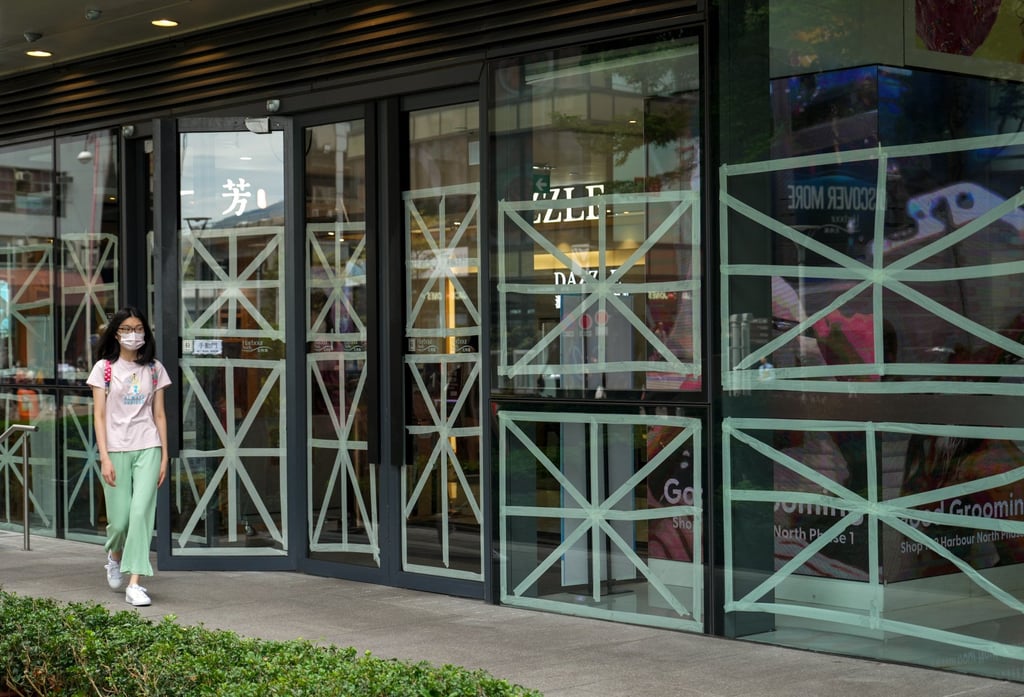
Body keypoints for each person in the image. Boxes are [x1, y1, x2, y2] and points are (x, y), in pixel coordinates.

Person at [87, 307, 171, 607]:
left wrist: (164, 456)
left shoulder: (154, 369)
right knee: (120, 522)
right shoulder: (103, 369)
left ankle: (135, 582)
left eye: (138, 328)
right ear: (116, 333)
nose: (132, 334)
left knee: (140, 516)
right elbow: (98, 417)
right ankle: (114, 555)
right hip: (116, 450)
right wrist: (104, 457)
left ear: (145, 333)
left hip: (148, 447)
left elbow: (159, 414)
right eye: (125, 329)